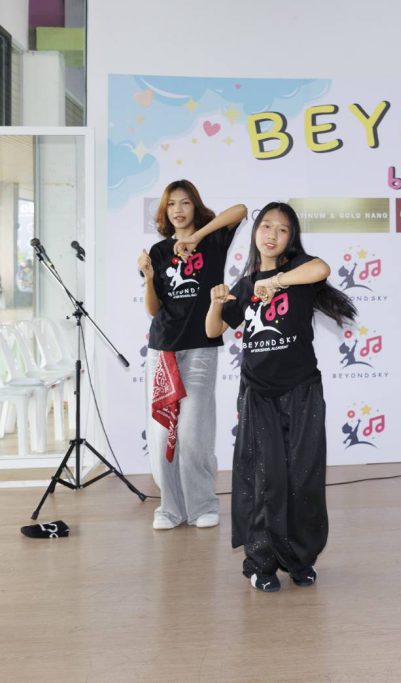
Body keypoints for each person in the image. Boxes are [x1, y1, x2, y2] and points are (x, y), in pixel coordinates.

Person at [206, 202, 356, 592]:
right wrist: (216, 302)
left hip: (302, 389)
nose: (272, 234)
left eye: (282, 229)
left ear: (291, 238)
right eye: (266, 226)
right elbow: (212, 330)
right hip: (259, 394)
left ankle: (300, 559)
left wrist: (279, 282)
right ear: (255, 232)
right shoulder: (245, 285)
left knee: (303, 477)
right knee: (264, 480)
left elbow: (322, 269)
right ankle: (261, 563)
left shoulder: (300, 272)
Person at [137, 179, 246, 531]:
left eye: (184, 202)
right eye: (171, 204)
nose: (178, 210)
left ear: (195, 206)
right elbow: (154, 310)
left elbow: (241, 210)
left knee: (193, 431)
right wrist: (149, 278)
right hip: (163, 350)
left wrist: (197, 236)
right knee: (162, 433)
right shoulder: (158, 252)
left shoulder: (213, 240)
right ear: (165, 211)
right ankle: (170, 509)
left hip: (200, 346)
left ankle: (201, 506)